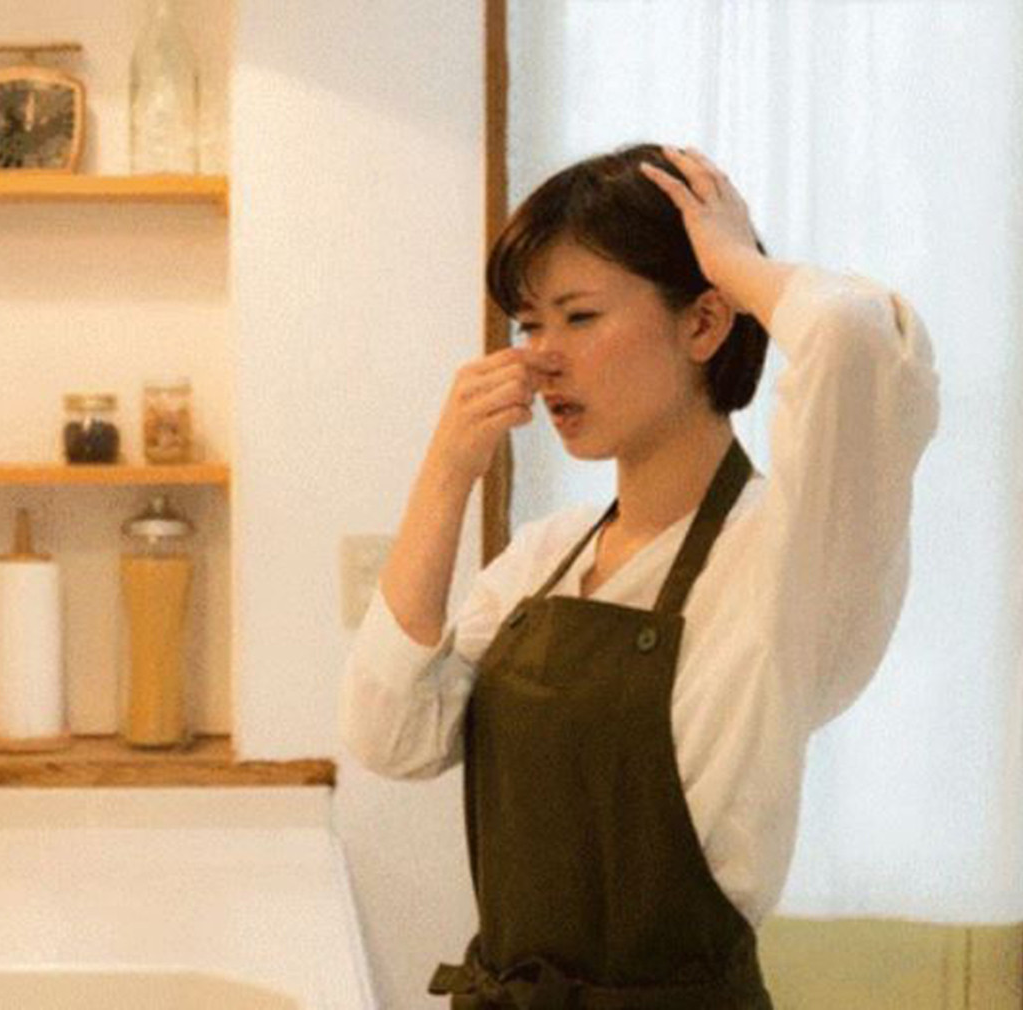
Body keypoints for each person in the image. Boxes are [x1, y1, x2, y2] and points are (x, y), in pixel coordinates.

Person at [340, 142, 941, 1008]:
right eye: (529, 325)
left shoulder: (785, 555)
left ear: (704, 324)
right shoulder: (547, 558)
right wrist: (446, 472)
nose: (541, 357)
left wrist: (734, 264)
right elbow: (391, 734)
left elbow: (857, 340)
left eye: (579, 317)